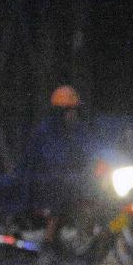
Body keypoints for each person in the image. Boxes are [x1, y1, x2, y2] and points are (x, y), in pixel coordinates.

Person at [18, 84, 96, 243]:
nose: (73, 115)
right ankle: (49, 239)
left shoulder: (77, 129)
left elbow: (92, 146)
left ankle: (86, 236)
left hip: (69, 176)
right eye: (70, 111)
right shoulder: (47, 131)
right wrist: (70, 163)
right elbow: (50, 157)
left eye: (75, 111)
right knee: (60, 191)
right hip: (42, 179)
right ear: (59, 113)